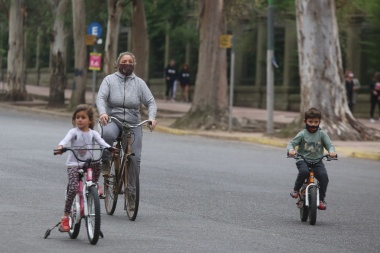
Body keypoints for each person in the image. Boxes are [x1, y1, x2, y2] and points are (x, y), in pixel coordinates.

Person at [96, 51, 157, 177]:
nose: (127, 64)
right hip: (113, 119)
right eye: (124, 61)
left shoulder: (139, 83)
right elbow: (101, 98)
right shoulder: (109, 80)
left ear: (134, 64)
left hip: (133, 122)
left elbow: (151, 102)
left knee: (135, 157)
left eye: (130, 62)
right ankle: (106, 160)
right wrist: (103, 113)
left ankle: (132, 191)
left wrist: (152, 118)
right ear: (118, 64)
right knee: (106, 133)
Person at [55, 104, 112, 232]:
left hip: (87, 163)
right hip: (74, 164)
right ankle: (65, 216)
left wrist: (110, 148)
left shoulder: (93, 133)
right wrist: (60, 147)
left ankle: (95, 185)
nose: (79, 120)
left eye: (83, 117)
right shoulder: (73, 132)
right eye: (77, 117)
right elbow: (65, 140)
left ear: (90, 120)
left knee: (98, 163)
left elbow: (102, 143)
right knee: (73, 188)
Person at [287, 108, 336, 210]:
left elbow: (330, 145)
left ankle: (321, 199)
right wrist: (291, 150)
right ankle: (296, 189)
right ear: (305, 121)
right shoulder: (302, 134)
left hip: (317, 160)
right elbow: (291, 144)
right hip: (302, 159)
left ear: (319, 122)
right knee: (304, 171)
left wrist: (331, 152)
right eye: (310, 121)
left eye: (316, 122)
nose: (313, 124)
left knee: (323, 177)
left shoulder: (322, 134)